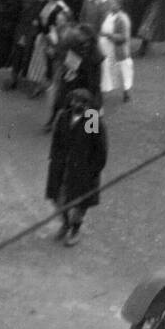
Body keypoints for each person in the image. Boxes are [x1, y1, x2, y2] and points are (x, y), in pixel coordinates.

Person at [46, 88, 108, 246]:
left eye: (83, 102)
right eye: (75, 101)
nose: (78, 104)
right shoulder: (64, 117)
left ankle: (75, 229)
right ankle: (65, 224)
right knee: (58, 198)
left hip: (82, 170)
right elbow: (56, 140)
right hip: (62, 167)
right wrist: (55, 158)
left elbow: (99, 150)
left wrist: (92, 171)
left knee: (80, 203)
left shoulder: (91, 120)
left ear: (88, 105)